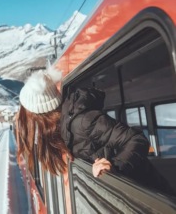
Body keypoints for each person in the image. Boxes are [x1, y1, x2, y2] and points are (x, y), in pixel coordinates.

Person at [15, 66, 174, 196]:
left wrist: (114, 167)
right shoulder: (65, 127)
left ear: (41, 116)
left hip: (150, 192)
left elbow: (137, 139)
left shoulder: (82, 122)